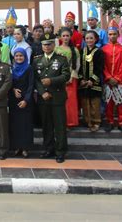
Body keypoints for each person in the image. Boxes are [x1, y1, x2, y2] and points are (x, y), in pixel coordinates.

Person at [33, 33, 70, 163]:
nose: (47, 46)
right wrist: (42, 92)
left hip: (57, 97)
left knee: (59, 126)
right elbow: (36, 79)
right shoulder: (37, 60)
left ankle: (60, 151)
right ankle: (48, 148)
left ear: (54, 45)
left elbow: (66, 76)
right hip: (44, 98)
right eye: (44, 44)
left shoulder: (61, 59)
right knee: (46, 125)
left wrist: (51, 81)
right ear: (41, 46)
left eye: (49, 44)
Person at [103, 20, 122, 134]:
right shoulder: (103, 49)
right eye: (110, 34)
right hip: (108, 80)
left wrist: (117, 79)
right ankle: (110, 122)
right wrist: (109, 77)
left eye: (114, 34)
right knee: (109, 102)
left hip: (119, 81)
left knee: (121, 103)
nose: (112, 36)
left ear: (118, 34)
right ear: (108, 35)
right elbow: (103, 66)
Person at [9, 48, 34, 158]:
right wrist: (13, 90)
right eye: (17, 56)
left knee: (25, 125)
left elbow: (31, 85)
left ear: (25, 57)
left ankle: (25, 148)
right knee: (15, 124)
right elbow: (9, 83)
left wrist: (26, 100)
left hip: (26, 101)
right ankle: (16, 147)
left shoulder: (29, 68)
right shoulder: (12, 69)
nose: (19, 58)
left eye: (21, 56)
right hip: (14, 100)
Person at [78, 30, 104, 132]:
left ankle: (96, 122)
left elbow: (99, 68)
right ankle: (87, 122)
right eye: (87, 38)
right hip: (84, 82)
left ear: (95, 39)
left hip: (95, 83)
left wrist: (92, 80)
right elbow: (79, 67)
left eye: (91, 38)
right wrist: (81, 79)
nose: (89, 40)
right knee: (85, 103)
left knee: (95, 103)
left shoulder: (99, 52)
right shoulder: (81, 51)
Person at [55, 27, 80, 128]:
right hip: (59, 78)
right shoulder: (56, 49)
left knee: (70, 101)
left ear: (70, 36)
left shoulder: (74, 50)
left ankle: (71, 122)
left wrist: (71, 76)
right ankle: (61, 121)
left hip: (71, 78)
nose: (65, 38)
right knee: (60, 101)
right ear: (60, 37)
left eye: (67, 36)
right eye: (63, 36)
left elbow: (77, 65)